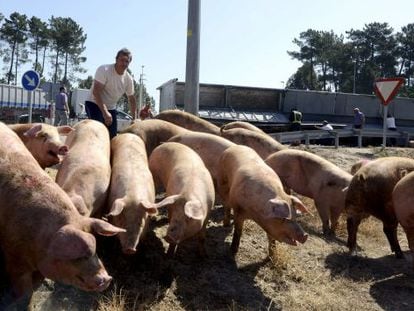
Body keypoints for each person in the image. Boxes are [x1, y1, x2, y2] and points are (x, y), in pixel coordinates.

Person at [85, 48, 137, 138]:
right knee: (99, 131)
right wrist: (105, 112)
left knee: (113, 137)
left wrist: (134, 118)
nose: (124, 63)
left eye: (127, 61)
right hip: (94, 103)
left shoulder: (128, 79)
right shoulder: (104, 70)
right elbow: (96, 92)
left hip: (111, 108)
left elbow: (131, 99)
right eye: (122, 60)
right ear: (116, 59)